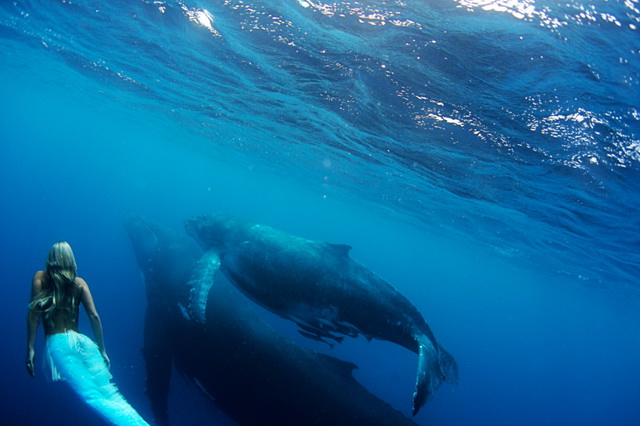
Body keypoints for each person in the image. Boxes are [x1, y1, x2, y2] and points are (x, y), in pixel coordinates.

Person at [26, 241, 149, 425]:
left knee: (92, 396)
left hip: (59, 344)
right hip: (83, 342)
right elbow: (95, 317)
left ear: (51, 258)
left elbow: (34, 314)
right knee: (110, 393)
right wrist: (102, 349)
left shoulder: (41, 277)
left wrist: (30, 348)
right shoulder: (80, 282)